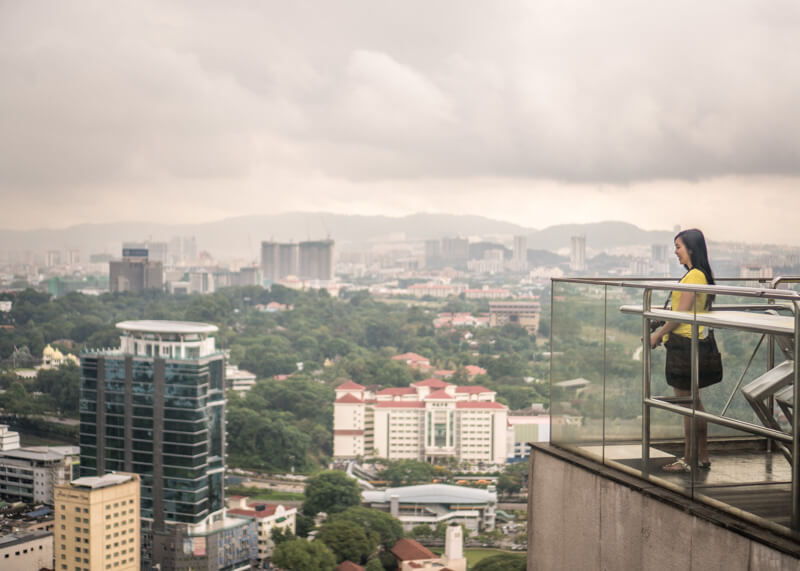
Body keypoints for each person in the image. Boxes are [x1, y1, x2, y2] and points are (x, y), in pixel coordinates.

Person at [650, 228, 715, 473]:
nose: (675, 252)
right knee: (694, 404)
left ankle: (689, 459)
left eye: (678, 247)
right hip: (690, 344)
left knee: (688, 405)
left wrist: (658, 334)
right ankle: (701, 455)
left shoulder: (695, 276)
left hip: (684, 346)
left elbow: (680, 315)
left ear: (691, 248)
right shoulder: (695, 275)